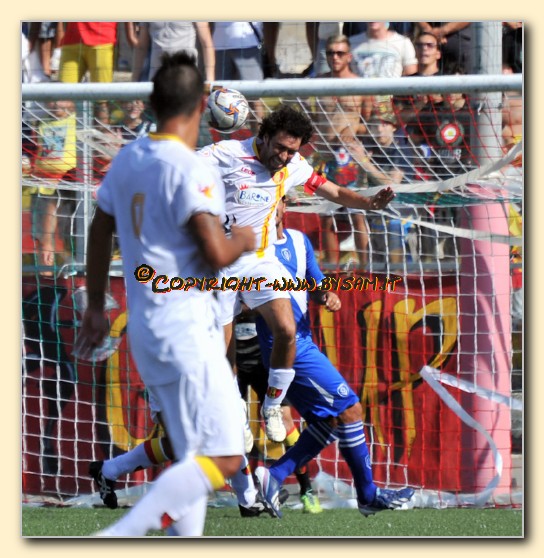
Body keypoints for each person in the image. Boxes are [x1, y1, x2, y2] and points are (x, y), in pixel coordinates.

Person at [74, 51, 256, 537]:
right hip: (186, 329)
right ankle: (116, 538)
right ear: (200, 106)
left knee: (191, 455)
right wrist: (244, 239)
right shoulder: (191, 168)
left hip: (146, 329)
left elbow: (100, 228)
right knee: (226, 455)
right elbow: (216, 252)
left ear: (153, 103)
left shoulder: (129, 158)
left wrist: (95, 306)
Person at [197, 104, 395, 444]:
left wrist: (368, 203)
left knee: (287, 330)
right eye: (281, 148)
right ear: (264, 136)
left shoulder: (294, 165)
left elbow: (334, 191)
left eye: (292, 150)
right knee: (225, 352)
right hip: (220, 263)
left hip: (259, 260)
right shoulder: (226, 153)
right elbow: (182, 167)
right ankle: (235, 411)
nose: (285, 156)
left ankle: (273, 405)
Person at [253, 197, 414, 517]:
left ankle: (274, 476)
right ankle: (368, 495)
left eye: (276, 199)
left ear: (285, 204)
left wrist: (326, 295)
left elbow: (316, 284)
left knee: (327, 419)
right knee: (350, 409)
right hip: (286, 347)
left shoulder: (299, 241)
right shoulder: (254, 251)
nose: (272, 206)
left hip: (302, 340)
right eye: (265, 199)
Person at [235, 310, 323, 513]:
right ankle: (247, 497)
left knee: (284, 419)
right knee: (233, 426)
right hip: (231, 361)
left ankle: (307, 490)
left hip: (263, 361)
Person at [311, 33, 372, 269]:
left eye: (339, 53)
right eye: (330, 53)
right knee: (326, 218)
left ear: (349, 56)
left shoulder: (360, 85)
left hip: (349, 159)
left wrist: (353, 129)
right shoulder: (317, 83)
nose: (334, 57)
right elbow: (312, 118)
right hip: (324, 157)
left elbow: (371, 123)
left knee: (358, 214)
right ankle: (330, 270)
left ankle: (367, 271)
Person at [27, 99, 77, 275]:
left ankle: (75, 272)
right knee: (43, 240)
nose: (56, 105)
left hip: (67, 186)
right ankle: (46, 278)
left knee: (68, 233)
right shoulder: (40, 124)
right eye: (52, 101)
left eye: (61, 100)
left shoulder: (78, 121)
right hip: (42, 185)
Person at [58, 22, 132, 125]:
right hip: (72, 39)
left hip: (102, 38)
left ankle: (103, 134)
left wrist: (131, 36)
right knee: (62, 98)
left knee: (101, 100)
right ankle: (64, 135)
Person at [131, 22, 215, 82]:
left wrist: (210, 81)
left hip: (186, 81)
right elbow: (141, 47)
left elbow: (207, 44)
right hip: (157, 80)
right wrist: (134, 81)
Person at [349, 22, 418, 79]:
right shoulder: (351, 42)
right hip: (360, 90)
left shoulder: (403, 42)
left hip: (392, 91)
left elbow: (411, 74)